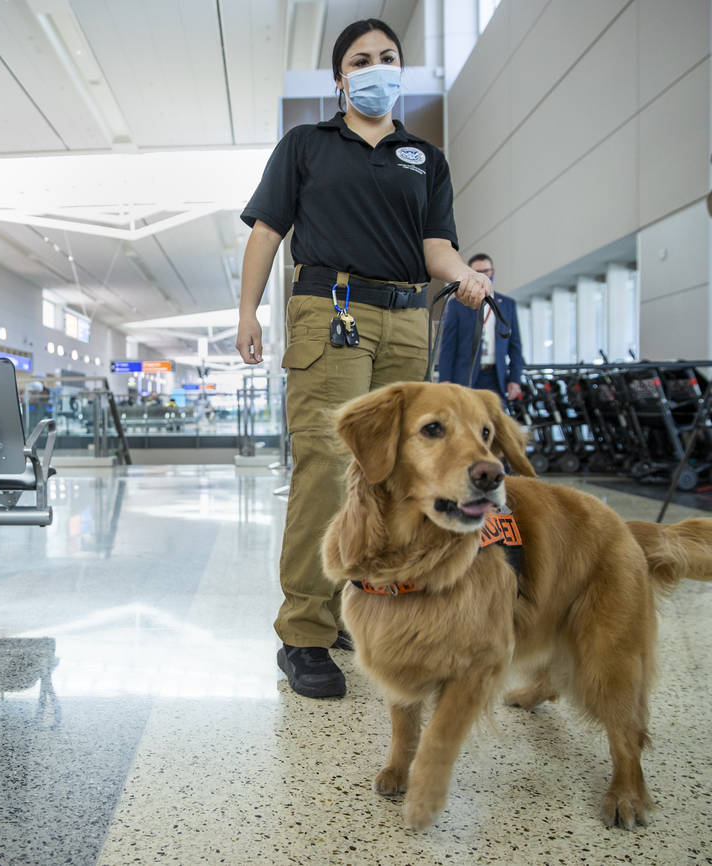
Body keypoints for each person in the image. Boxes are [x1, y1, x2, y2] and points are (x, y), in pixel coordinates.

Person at [235, 18, 491, 699]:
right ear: (340, 77)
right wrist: (248, 312)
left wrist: (465, 275)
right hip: (332, 313)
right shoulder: (308, 147)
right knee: (328, 464)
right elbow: (266, 231)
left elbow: (437, 248)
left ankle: (355, 602)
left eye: (388, 57)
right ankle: (304, 633)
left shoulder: (425, 159)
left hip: (408, 320)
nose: (376, 68)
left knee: (392, 474)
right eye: (361, 59)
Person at [437, 254, 524, 404]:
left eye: (486, 271)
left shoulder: (507, 305)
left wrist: (515, 379)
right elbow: (448, 346)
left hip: (496, 377)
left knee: (495, 422)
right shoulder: (456, 306)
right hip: (465, 376)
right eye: (478, 272)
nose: (483, 276)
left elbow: (515, 346)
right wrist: (445, 379)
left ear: (493, 272)